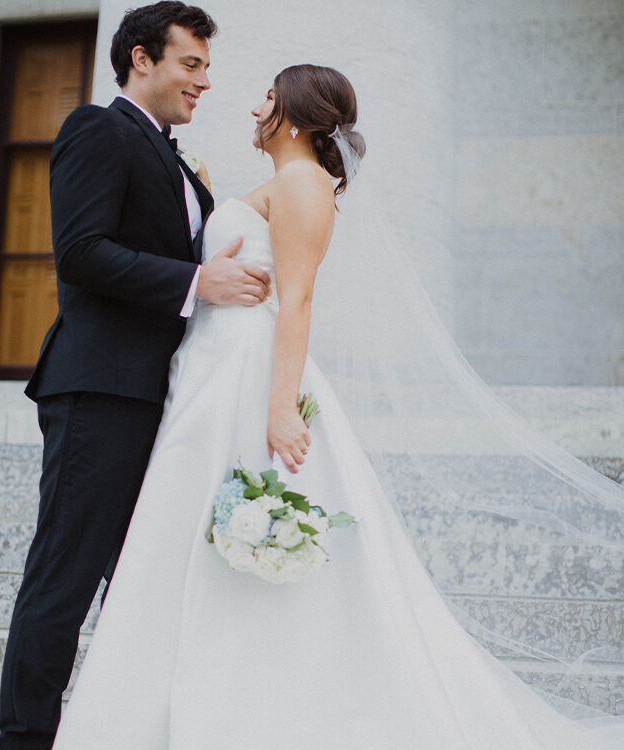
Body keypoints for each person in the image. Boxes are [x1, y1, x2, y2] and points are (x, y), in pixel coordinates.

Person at [50, 63, 624, 749]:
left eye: (267, 95)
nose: (253, 105)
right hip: (204, 368)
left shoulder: (305, 184)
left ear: (292, 114)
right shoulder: (278, 182)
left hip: (247, 373)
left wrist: (281, 407)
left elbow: (297, 301)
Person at [0, 4, 274, 748]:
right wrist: (198, 282)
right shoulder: (96, 128)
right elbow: (80, 252)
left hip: (163, 397)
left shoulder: (173, 155)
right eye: (191, 63)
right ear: (142, 59)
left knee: (138, 583)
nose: (205, 81)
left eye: (207, 67)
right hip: (100, 390)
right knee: (64, 579)